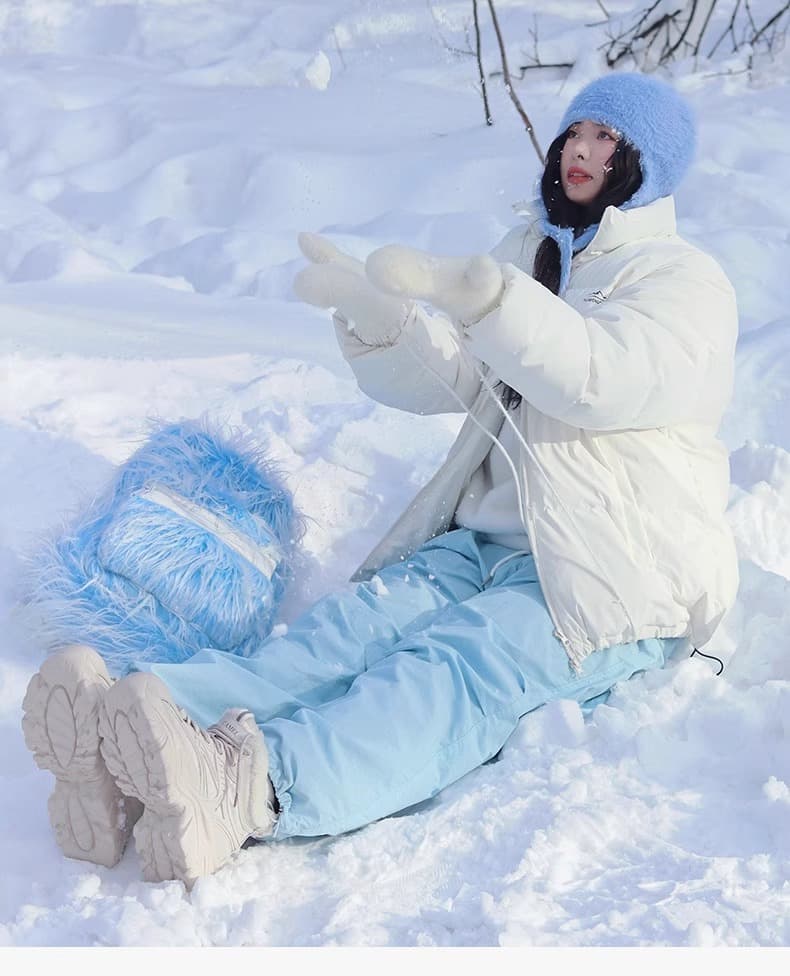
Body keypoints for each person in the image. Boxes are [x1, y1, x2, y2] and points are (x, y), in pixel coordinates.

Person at [21, 73, 739, 888]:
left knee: (446, 673)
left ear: (649, 163)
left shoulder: (684, 285)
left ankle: (247, 785)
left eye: (607, 140)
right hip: (487, 538)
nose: (581, 151)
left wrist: (497, 302)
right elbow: (466, 385)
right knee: (343, 636)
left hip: (609, 574)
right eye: (576, 133)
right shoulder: (538, 256)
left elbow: (598, 380)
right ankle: (134, 729)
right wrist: (386, 324)